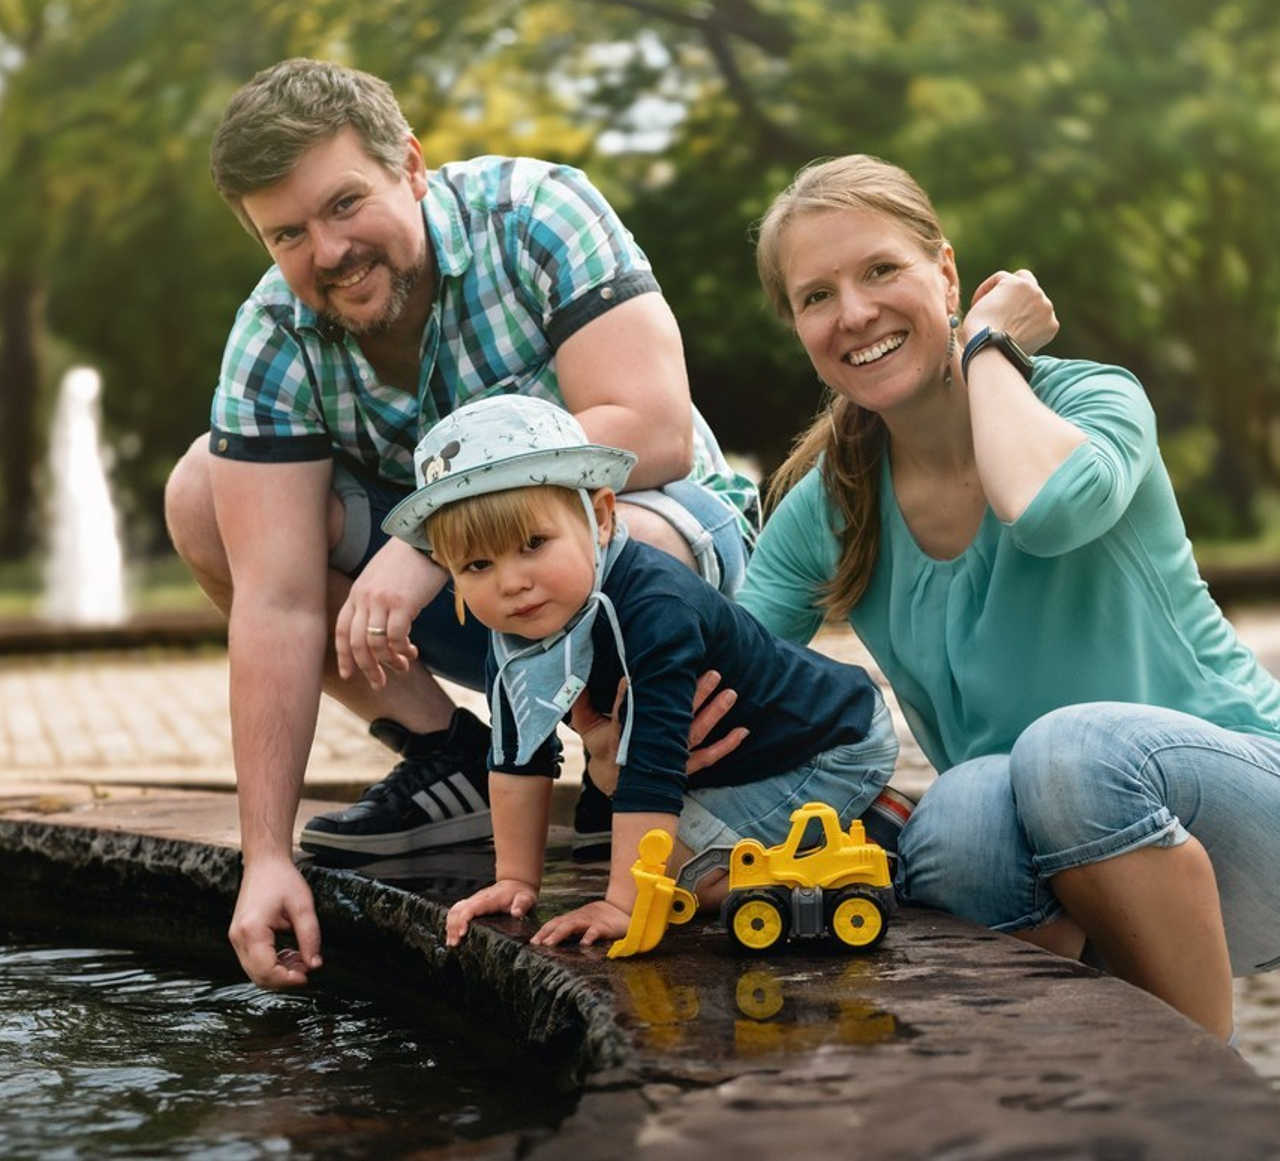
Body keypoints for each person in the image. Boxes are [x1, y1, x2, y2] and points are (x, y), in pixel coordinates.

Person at [162, 58, 759, 989]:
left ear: (409, 163)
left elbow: (652, 427)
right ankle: (451, 760)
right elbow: (274, 603)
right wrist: (264, 856)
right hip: (478, 594)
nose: (326, 251)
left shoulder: (536, 213)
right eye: (286, 233)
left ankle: (623, 753)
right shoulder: (272, 337)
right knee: (205, 490)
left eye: (344, 203)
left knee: (622, 552)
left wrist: (427, 533)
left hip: (656, 547)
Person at [736, 153, 1280, 1042]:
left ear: (946, 273)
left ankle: (1201, 1120)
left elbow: (1047, 510)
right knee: (955, 816)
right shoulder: (832, 504)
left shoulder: (1092, 400)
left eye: (881, 270)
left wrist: (989, 346)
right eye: (816, 296)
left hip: (1250, 815)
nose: (856, 313)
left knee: (1070, 749)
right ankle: (1066, 1099)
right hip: (1056, 855)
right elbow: (732, 674)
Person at [376, 393, 897, 949]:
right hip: (737, 759)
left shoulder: (654, 608)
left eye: (533, 544)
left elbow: (653, 762)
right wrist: (515, 880)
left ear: (599, 518)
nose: (510, 582)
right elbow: (516, 756)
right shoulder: (513, 629)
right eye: (478, 565)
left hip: (826, 743)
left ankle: (873, 827)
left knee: (669, 886)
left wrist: (623, 904)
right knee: (628, 847)